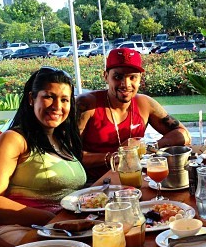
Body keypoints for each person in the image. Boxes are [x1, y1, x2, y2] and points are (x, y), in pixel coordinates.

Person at [0, 67, 86, 247]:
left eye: (64, 100)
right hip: (23, 230)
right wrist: (52, 219)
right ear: (31, 99)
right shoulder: (14, 139)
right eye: (49, 97)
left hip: (62, 228)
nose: (57, 106)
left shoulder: (61, 139)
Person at [77, 48, 191, 183]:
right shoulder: (86, 104)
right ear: (106, 76)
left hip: (136, 180)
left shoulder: (144, 103)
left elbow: (184, 135)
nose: (126, 84)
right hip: (95, 185)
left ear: (140, 79)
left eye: (132, 77)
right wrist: (114, 157)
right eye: (118, 77)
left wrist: (148, 147)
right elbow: (69, 156)